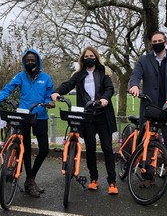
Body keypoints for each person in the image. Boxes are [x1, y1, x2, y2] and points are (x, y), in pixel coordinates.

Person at [51, 47, 119, 195]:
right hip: (87, 115)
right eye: (86, 56)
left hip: (102, 115)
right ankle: (93, 179)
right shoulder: (79, 75)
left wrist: (105, 99)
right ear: (83, 59)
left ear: (96, 57)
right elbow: (68, 84)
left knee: (107, 148)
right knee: (90, 148)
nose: (89, 58)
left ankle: (112, 181)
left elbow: (110, 89)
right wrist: (57, 92)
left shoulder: (104, 73)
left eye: (92, 56)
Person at [0, 48, 54, 198]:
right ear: (24, 62)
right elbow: (7, 89)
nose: (30, 63)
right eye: (27, 60)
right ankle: (30, 182)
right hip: (23, 116)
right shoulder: (20, 76)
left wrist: (49, 102)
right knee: (24, 150)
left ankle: (30, 178)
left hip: (40, 116)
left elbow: (49, 95)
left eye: (32, 60)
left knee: (44, 150)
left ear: (38, 61)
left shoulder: (45, 77)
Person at [128, 31, 167, 192]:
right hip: (150, 108)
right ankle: (148, 177)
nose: (157, 43)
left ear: (166, 42)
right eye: (155, 41)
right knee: (149, 144)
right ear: (151, 44)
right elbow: (135, 76)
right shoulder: (144, 60)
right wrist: (133, 85)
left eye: (160, 40)